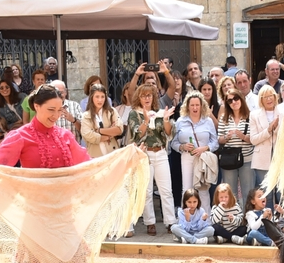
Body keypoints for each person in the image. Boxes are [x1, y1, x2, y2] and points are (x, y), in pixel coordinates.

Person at [0, 84, 98, 263]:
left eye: (59, 110)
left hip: (63, 212)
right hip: (36, 213)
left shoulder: (65, 136)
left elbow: (84, 162)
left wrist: (120, 159)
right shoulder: (20, 136)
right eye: (50, 110)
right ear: (35, 106)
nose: (56, 115)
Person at [127, 83, 176, 236]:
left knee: (166, 190)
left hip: (160, 153)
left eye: (149, 95)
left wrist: (166, 120)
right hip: (144, 154)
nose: (147, 98)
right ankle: (150, 222)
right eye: (143, 95)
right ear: (138, 98)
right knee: (147, 191)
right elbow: (136, 134)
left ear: (153, 97)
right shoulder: (134, 114)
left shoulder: (160, 112)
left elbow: (168, 133)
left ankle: (170, 222)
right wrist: (146, 121)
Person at [172, 91, 219, 213]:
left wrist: (205, 148)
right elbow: (173, 143)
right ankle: (185, 219)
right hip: (187, 157)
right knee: (187, 188)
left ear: (202, 105)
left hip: (203, 158)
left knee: (203, 189)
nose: (195, 108)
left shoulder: (208, 121)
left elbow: (215, 142)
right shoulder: (180, 121)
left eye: (197, 105)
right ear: (187, 106)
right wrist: (182, 147)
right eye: (192, 105)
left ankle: (206, 219)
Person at [216, 89, 253, 202]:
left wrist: (242, 136)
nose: (234, 102)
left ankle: (247, 218)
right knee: (230, 193)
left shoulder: (251, 116)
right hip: (229, 159)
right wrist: (227, 136)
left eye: (236, 99)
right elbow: (219, 139)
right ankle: (232, 218)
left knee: (248, 192)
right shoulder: (224, 118)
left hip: (246, 159)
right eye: (230, 101)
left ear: (241, 99)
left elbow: (254, 139)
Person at [250, 86, 281, 196]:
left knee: (280, 194)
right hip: (262, 159)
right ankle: (266, 214)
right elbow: (253, 139)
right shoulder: (254, 115)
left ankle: (280, 213)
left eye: (271, 96)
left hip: (280, 158)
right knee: (265, 195)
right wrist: (268, 130)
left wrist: (275, 128)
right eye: (265, 97)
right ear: (261, 99)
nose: (269, 99)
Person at [80, 84, 123, 158]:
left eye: (102, 97)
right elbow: (88, 135)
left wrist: (99, 131)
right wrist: (108, 136)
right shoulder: (86, 116)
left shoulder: (112, 112)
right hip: (95, 156)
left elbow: (119, 129)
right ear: (92, 97)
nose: (100, 100)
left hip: (113, 154)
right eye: (97, 96)